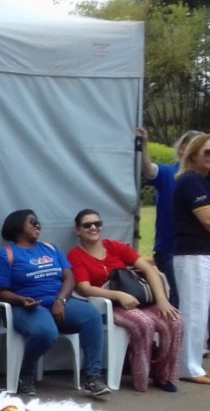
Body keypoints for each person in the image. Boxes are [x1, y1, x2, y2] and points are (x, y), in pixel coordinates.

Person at [0, 209, 109, 398]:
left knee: (91, 316)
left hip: (59, 302)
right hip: (27, 307)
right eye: (32, 221)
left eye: (38, 221)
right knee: (45, 332)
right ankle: (25, 373)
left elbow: (69, 278)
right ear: (18, 226)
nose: (38, 225)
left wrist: (61, 300)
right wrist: (21, 300)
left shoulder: (51, 249)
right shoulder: (5, 255)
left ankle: (93, 377)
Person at [67, 208, 183, 393]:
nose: (93, 228)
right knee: (143, 323)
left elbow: (148, 269)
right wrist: (118, 295)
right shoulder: (76, 255)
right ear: (78, 230)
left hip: (138, 300)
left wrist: (162, 300)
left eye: (97, 223)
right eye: (87, 225)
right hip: (109, 305)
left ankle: (162, 374)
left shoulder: (115, 247)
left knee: (175, 321)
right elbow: (84, 288)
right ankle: (141, 378)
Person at [138, 127, 202, 308]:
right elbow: (148, 169)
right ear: (182, 149)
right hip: (170, 250)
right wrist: (143, 144)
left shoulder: (203, 179)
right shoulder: (168, 174)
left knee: (199, 297)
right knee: (183, 297)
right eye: (195, 147)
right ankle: (178, 326)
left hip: (199, 251)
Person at [172, 132, 210, 385]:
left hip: (202, 253)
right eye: (207, 152)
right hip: (193, 254)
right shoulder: (190, 180)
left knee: (200, 310)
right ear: (193, 155)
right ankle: (188, 367)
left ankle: (191, 363)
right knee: (194, 311)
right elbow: (207, 220)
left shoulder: (204, 181)